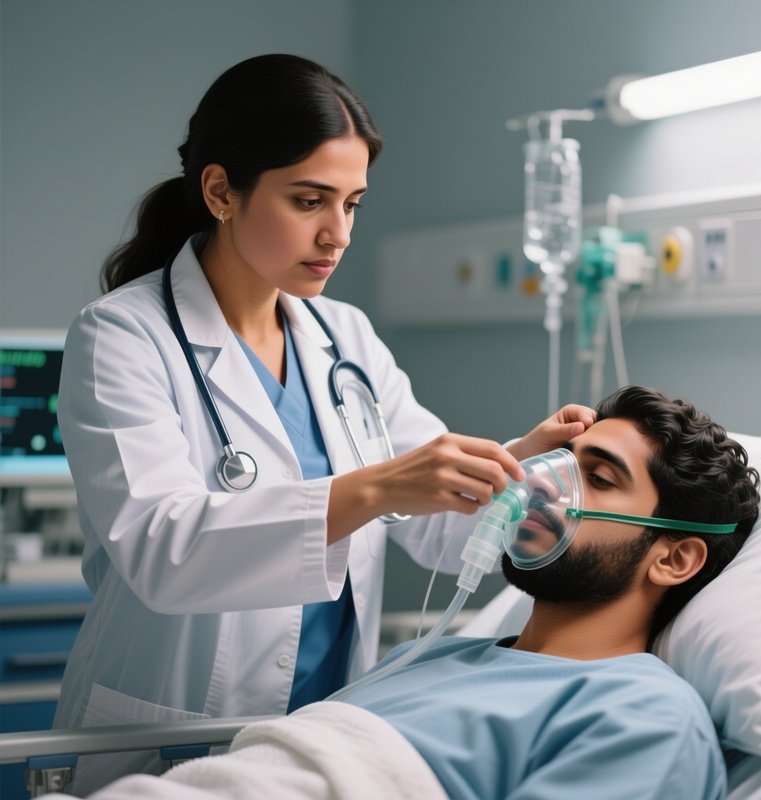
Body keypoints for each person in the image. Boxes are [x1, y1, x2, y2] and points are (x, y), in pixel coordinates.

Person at [53, 53, 595, 794]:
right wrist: (373, 490)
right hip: (166, 739)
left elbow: (433, 522)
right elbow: (163, 551)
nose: (338, 234)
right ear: (221, 191)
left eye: (352, 204)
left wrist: (520, 467)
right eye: (309, 201)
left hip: (320, 746)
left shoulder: (344, 337)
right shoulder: (121, 335)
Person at [42, 385, 760, 800]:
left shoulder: (644, 715)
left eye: (597, 478)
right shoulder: (440, 655)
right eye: (558, 461)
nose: (541, 484)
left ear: (675, 557)